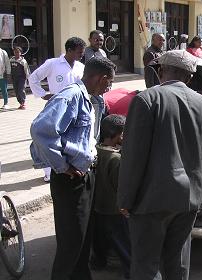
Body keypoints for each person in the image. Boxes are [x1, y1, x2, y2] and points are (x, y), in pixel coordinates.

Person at [117, 50, 202, 280]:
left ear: (161, 71)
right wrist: (201, 195)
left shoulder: (147, 99)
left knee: (146, 264)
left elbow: (133, 157)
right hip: (188, 199)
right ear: (190, 78)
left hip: (150, 200)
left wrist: (125, 199)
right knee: (178, 261)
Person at [30, 57, 116, 280]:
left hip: (85, 174)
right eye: (109, 83)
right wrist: (62, 165)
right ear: (101, 78)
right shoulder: (71, 95)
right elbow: (41, 130)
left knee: (83, 237)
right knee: (71, 242)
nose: (109, 88)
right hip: (70, 179)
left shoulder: (89, 98)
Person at [29, 37, 86, 182]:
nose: (81, 55)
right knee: (50, 138)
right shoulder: (53, 64)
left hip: (74, 110)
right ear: (69, 50)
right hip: (56, 109)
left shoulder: (80, 67)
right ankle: (48, 171)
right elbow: (33, 78)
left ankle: (68, 165)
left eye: (82, 52)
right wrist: (42, 94)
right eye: (79, 52)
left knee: (68, 139)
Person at [93, 114, 130, 279]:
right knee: (123, 243)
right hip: (115, 210)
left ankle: (98, 262)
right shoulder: (116, 159)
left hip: (98, 206)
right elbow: (120, 187)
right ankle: (131, 271)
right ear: (118, 134)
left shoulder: (95, 150)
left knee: (100, 239)